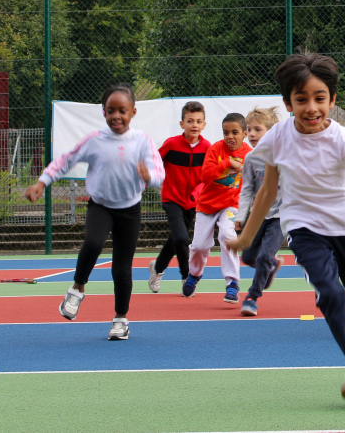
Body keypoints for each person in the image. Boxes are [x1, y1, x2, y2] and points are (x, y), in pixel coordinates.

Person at [227, 53, 345, 406]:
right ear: (288, 103)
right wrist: (247, 236)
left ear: (332, 100)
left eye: (319, 99)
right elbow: (268, 190)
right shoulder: (277, 138)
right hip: (304, 228)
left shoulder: (342, 138)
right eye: (301, 100)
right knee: (329, 295)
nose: (311, 108)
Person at [24, 83, 164, 341]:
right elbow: (65, 160)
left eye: (122, 110)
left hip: (130, 210)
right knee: (93, 242)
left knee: (122, 269)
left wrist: (150, 176)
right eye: (111, 111)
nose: (116, 116)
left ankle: (121, 318)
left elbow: (160, 173)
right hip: (100, 205)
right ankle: (77, 289)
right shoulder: (94, 141)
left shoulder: (143, 141)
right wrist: (42, 182)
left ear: (133, 111)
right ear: (104, 113)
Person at [183, 112, 251, 302]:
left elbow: (253, 183)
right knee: (199, 246)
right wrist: (226, 164)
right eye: (226, 132)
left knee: (227, 236)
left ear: (244, 134)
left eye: (235, 132)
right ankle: (194, 274)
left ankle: (232, 283)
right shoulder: (215, 150)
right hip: (207, 205)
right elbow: (205, 176)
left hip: (230, 206)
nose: (230, 136)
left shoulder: (249, 155)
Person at [147, 101, 210, 293]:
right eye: (190, 121)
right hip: (171, 199)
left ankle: (157, 268)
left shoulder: (207, 147)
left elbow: (209, 176)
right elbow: (155, 161)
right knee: (182, 238)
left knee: (175, 239)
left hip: (193, 202)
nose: (194, 125)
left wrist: (197, 193)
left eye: (198, 121)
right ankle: (186, 276)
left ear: (204, 125)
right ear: (182, 124)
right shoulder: (172, 144)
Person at [233, 105, 285, 317]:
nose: (251, 134)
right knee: (248, 257)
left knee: (264, 255)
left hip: (281, 216)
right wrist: (240, 216)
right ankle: (271, 265)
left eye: (257, 129)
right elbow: (246, 190)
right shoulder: (251, 159)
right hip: (259, 215)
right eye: (249, 129)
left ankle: (252, 297)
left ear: (271, 131)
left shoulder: (283, 155)